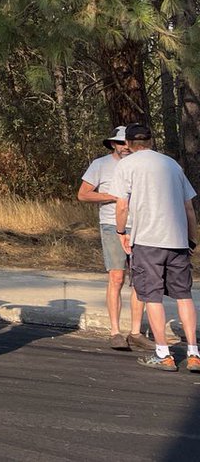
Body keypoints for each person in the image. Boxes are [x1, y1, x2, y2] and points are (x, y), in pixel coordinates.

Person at [113, 123, 199, 372]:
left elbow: (121, 205)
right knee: (184, 295)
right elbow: (189, 209)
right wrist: (191, 240)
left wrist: (121, 232)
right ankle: (194, 352)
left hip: (148, 240)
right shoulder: (172, 165)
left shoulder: (127, 165)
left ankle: (163, 353)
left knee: (152, 295)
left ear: (128, 144)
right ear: (151, 141)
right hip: (177, 240)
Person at [78, 126, 151, 351]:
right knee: (117, 278)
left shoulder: (143, 164)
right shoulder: (100, 164)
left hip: (142, 226)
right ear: (112, 144)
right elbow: (83, 194)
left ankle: (136, 332)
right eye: (119, 143)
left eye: (126, 143)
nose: (124, 147)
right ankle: (115, 332)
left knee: (140, 280)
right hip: (112, 225)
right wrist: (113, 197)